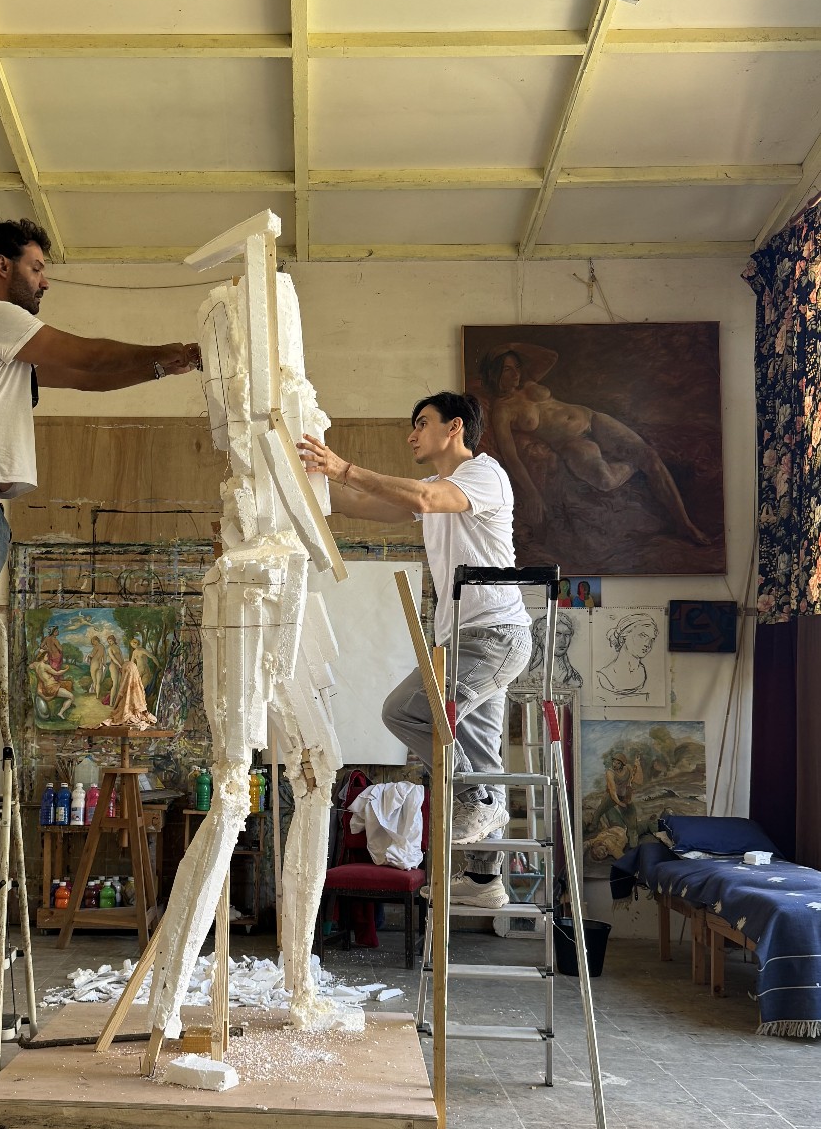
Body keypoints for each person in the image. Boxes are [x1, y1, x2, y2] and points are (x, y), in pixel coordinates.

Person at [0, 218, 200, 808]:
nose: (45, 282)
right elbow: (86, 352)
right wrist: (167, 349)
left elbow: (87, 376)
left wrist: (162, 367)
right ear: (2, 266)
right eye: (37, 268)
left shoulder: (6, 348)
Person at [298, 391, 531, 912]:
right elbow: (370, 504)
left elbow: (424, 499)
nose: (412, 435)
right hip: (464, 641)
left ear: (455, 427)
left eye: (422, 423)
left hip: (493, 636)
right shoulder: (434, 490)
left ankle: (477, 799)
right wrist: (314, 486)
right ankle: (485, 879)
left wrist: (345, 467)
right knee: (481, 754)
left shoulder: (484, 475)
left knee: (405, 712)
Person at [478, 344, 709, 545]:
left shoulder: (529, 383)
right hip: (570, 442)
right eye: (508, 370)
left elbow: (550, 357)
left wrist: (512, 345)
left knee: (649, 455)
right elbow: (511, 456)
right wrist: (532, 493)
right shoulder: (502, 410)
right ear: (494, 374)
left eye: (517, 367)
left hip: (592, 419)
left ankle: (685, 524)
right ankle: (635, 465)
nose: (516, 374)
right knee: (606, 480)